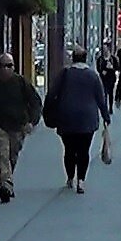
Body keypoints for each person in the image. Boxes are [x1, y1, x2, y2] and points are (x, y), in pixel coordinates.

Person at [0, 53, 42, 203]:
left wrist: (32, 121)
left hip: (18, 127)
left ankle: (6, 180)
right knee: (1, 154)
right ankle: (5, 185)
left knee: (12, 156)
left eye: (9, 66)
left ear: (13, 67)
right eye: (2, 66)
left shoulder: (21, 83)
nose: (5, 69)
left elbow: (35, 103)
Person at [45, 48, 111, 193]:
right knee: (83, 150)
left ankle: (70, 177)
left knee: (69, 150)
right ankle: (81, 180)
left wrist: (48, 111)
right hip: (87, 119)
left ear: (73, 58)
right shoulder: (93, 76)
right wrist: (106, 117)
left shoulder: (65, 74)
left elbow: (52, 94)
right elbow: (101, 98)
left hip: (67, 117)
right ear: (85, 58)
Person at [97, 44, 119, 115]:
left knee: (111, 93)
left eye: (105, 49)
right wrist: (101, 71)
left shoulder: (113, 59)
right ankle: (105, 108)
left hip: (111, 78)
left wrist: (112, 68)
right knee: (104, 93)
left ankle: (110, 107)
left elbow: (117, 67)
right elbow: (98, 67)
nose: (104, 50)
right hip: (104, 78)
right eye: (103, 49)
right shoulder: (100, 59)